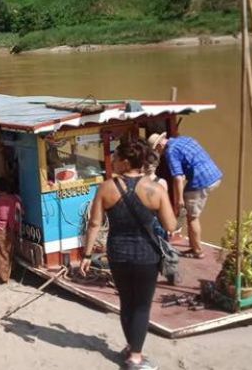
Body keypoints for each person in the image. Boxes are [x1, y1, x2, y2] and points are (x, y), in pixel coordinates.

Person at [79, 139, 176, 370]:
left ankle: (131, 345)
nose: (111, 161)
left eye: (114, 158)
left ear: (124, 162)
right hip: (147, 255)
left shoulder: (106, 188)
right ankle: (135, 357)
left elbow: (94, 224)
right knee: (142, 306)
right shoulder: (156, 189)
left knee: (127, 302)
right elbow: (170, 225)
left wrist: (86, 255)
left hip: (118, 254)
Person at [149, 132, 222, 259]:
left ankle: (197, 251)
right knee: (191, 208)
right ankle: (194, 245)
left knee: (192, 217)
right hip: (214, 174)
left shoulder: (170, 152)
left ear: (160, 145)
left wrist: (179, 200)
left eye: (156, 150)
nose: (158, 153)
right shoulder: (185, 139)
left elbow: (178, 178)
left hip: (201, 181)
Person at [0, 178, 22, 284]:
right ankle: (7, 274)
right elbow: (19, 214)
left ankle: (3, 278)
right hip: (11, 229)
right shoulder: (15, 199)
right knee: (8, 253)